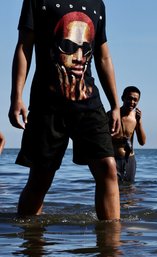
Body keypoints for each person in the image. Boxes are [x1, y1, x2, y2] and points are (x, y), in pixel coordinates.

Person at [9, 0, 120, 220]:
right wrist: (16, 97)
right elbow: (24, 46)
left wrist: (115, 104)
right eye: (70, 48)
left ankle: (111, 248)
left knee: (108, 168)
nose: (78, 57)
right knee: (41, 178)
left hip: (89, 104)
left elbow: (103, 56)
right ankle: (31, 247)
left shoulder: (97, 4)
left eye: (82, 51)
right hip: (47, 106)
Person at [112, 86, 147, 183]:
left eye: (135, 100)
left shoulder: (136, 117)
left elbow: (142, 142)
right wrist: (119, 139)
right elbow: (103, 138)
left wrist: (139, 122)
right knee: (114, 188)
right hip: (114, 158)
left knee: (130, 189)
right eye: (129, 98)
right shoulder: (112, 115)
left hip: (129, 159)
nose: (132, 102)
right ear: (123, 98)